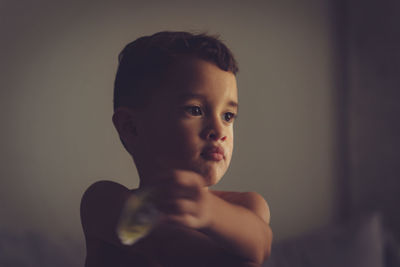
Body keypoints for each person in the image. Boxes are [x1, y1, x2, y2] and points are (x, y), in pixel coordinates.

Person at [80, 31, 273, 267]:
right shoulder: (104, 201)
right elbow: (169, 247)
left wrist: (211, 211)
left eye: (228, 115)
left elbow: (261, 244)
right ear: (131, 128)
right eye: (195, 110)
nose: (219, 130)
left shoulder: (245, 205)